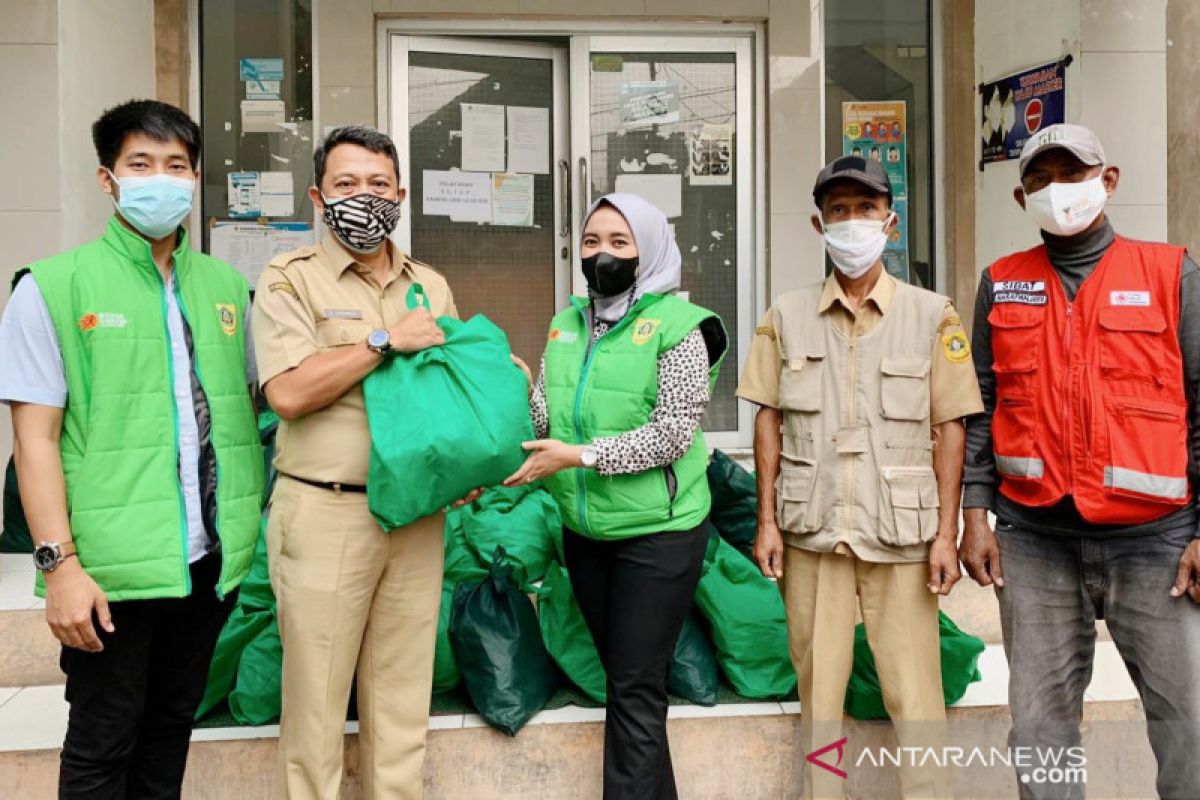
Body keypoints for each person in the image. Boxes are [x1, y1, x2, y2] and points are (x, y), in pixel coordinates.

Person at [0, 99, 262, 798]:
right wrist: (59, 566)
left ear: (195, 176)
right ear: (107, 179)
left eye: (176, 165)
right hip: (108, 572)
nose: (160, 180)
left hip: (208, 564)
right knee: (102, 739)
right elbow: (34, 440)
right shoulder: (52, 287)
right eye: (140, 164)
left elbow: (253, 407)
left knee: (171, 726)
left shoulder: (227, 286)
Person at [960, 123, 1200, 799]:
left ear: (1109, 180)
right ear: (1021, 196)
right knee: (1040, 729)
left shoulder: (1171, 274)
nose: (1059, 191)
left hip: (1157, 540)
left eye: (1074, 174)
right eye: (1042, 180)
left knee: (1188, 724)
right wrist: (974, 513)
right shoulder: (1001, 283)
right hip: (1035, 539)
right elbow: (981, 404)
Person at [738, 155, 982, 799]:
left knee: (915, 693)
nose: (852, 223)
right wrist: (766, 521)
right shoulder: (785, 314)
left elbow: (952, 426)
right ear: (819, 224)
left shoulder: (934, 314)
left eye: (865, 209)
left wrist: (946, 535)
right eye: (838, 211)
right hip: (811, 530)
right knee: (820, 692)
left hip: (901, 534)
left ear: (890, 221)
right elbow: (767, 418)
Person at [251, 125, 471, 800]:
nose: (364, 197)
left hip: (414, 516)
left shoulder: (429, 285)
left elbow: (446, 394)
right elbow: (287, 393)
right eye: (347, 185)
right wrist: (383, 340)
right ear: (319, 197)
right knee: (316, 709)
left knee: (402, 706)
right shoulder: (289, 280)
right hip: (326, 511)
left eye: (378, 184)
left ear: (401, 194)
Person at [505, 193, 727, 799]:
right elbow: (553, 420)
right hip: (587, 534)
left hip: (658, 535)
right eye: (592, 242)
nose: (602, 254)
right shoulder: (566, 324)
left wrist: (579, 458)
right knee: (632, 689)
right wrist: (525, 393)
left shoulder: (683, 327)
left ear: (650, 250)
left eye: (620, 243)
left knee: (632, 691)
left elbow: (671, 433)